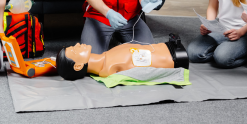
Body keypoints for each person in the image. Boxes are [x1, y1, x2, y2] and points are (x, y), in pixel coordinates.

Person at [56, 34, 189, 80]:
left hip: (169, 48)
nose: (78, 44)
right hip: (174, 58)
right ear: (78, 66)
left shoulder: (108, 56)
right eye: (74, 50)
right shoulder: (110, 68)